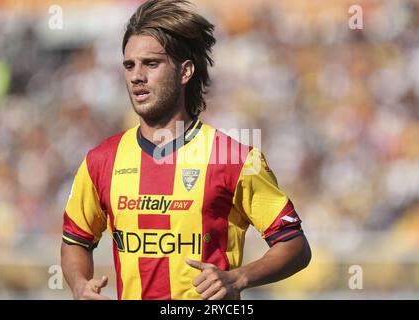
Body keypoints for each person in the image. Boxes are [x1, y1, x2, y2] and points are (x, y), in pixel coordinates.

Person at [60, 0, 311, 300]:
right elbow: (76, 239)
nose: (137, 75)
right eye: (129, 65)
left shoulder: (234, 159)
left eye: (151, 64)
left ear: (185, 71)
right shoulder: (101, 161)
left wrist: (237, 278)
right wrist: (79, 284)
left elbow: (294, 245)